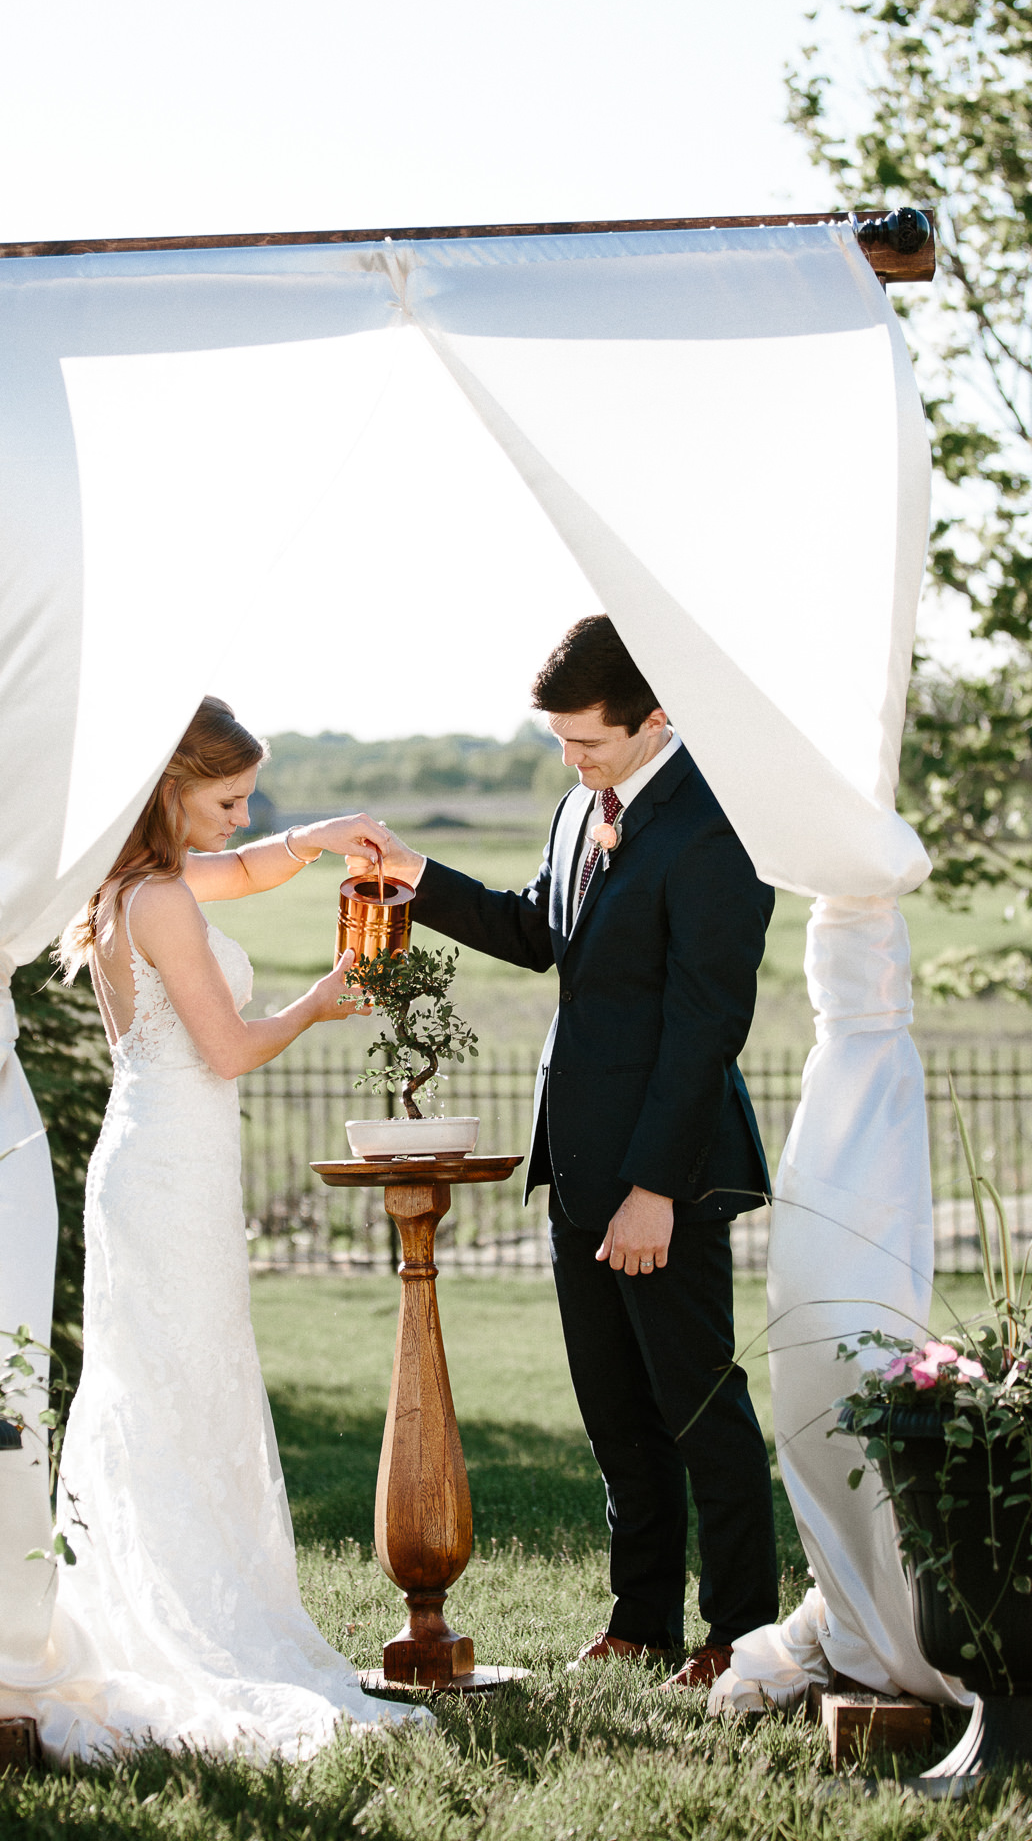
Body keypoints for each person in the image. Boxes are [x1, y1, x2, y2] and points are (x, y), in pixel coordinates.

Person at [361, 617, 778, 1690]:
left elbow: (703, 1028)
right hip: (576, 1165)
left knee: (696, 1409)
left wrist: (653, 1189)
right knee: (613, 1413)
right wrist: (418, 873)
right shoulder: (573, 810)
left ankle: (741, 1633)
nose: (569, 760)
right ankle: (640, 1617)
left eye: (586, 741)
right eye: (558, 740)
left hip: (661, 1176)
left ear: (657, 715)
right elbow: (537, 927)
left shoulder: (718, 828)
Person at [42, 696, 417, 1761]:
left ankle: (190, 1588)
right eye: (226, 798)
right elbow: (227, 1048)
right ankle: (188, 1619)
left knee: (187, 1375)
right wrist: (323, 997)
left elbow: (247, 870)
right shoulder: (158, 897)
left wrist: (319, 835)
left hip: (166, 1158)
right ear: (171, 791)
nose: (241, 814)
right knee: (173, 1379)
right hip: (166, 1160)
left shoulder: (142, 884)